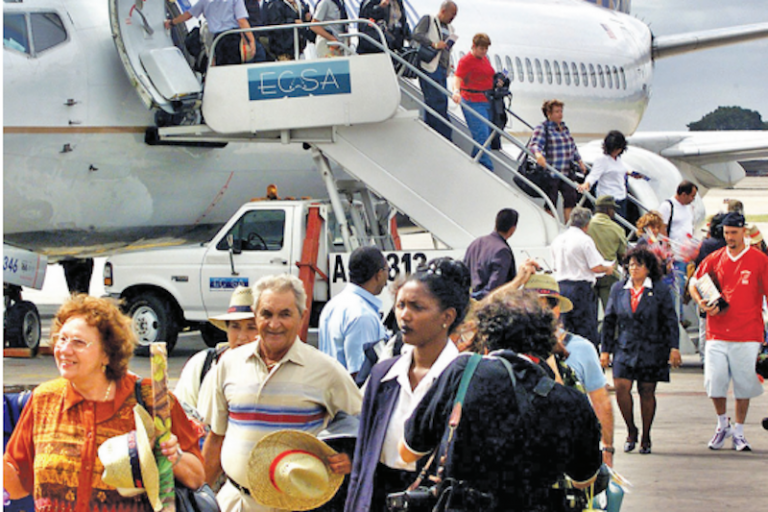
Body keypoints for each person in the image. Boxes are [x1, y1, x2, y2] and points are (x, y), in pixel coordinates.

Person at [399, 291, 601, 511]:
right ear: (545, 345)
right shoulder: (570, 401)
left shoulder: (463, 370)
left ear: (487, 339)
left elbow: (408, 451)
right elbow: (584, 479)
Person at [3, 294, 205, 511]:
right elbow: (17, 488)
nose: (64, 350)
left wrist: (172, 456)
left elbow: (196, 478)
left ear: (108, 354)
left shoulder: (152, 399)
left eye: (78, 342)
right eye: (61, 339)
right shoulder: (42, 400)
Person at [199, 274, 362, 510]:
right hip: (235, 502)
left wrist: (350, 459)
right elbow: (217, 437)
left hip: (295, 505)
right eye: (266, 314)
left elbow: (367, 426)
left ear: (302, 317)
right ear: (256, 315)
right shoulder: (228, 364)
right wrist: (199, 496)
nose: (274, 324)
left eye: (285, 314)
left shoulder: (326, 371)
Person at [345, 258, 470, 512]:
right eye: (400, 305)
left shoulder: (466, 381)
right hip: (379, 497)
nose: (404, 315)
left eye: (417, 307)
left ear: (447, 317)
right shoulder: (383, 376)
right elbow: (362, 462)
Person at [689, 212, 768, 452]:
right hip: (717, 331)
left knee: (744, 384)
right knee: (715, 381)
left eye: (734, 233)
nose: (730, 238)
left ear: (744, 232)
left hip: (748, 332)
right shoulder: (715, 258)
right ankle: (722, 423)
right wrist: (702, 303)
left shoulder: (759, 260)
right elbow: (695, 282)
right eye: (726, 234)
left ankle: (740, 431)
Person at [524, 274, 615, 468]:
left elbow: (601, 403)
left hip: (566, 455)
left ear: (556, 310)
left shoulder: (582, 348)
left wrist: (607, 448)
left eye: (546, 305)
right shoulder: (510, 349)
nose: (538, 312)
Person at [600, 247, 681, 455]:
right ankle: (631, 430)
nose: (634, 269)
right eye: (631, 264)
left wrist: (674, 347)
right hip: (625, 346)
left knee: (647, 391)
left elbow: (670, 321)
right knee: (621, 387)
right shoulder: (619, 289)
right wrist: (605, 350)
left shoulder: (660, 290)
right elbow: (609, 321)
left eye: (639, 265)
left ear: (648, 268)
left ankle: (646, 436)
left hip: (652, 348)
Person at [174, 286, 259, 417]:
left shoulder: (273, 371)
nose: (242, 336)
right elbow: (182, 414)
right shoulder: (202, 363)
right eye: (235, 326)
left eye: (251, 328)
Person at [318, 246, 390, 378]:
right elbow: (360, 374)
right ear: (379, 274)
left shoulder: (333, 304)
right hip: (351, 396)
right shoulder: (362, 316)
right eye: (388, 270)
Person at [551, 206, 616, 347]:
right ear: (587, 224)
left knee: (564, 328)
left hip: (561, 286)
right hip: (580, 288)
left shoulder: (558, 239)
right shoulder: (584, 240)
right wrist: (608, 268)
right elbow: (596, 267)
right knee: (585, 330)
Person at [529, 99, 587, 223]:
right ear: (548, 113)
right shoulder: (543, 128)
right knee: (551, 202)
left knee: (570, 200)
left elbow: (572, 147)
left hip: (566, 171)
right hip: (552, 172)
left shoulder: (564, 128)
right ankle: (552, 226)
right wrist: (538, 155)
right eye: (557, 112)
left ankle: (569, 226)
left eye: (561, 111)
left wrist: (580, 161)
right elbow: (535, 145)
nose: (560, 114)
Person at [410, 1, 458, 140]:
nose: (453, 18)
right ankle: (443, 135)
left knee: (441, 101)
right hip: (429, 66)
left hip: (442, 68)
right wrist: (434, 44)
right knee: (435, 101)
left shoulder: (450, 28)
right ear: (443, 11)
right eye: (452, 14)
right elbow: (416, 34)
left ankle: (436, 133)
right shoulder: (429, 20)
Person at [165, 0, 256, 66]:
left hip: (217, 39)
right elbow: (241, 20)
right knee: (234, 68)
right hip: (232, 37)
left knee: (221, 67)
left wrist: (172, 22)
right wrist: (251, 40)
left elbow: (188, 14)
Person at [452, 33, 495, 171]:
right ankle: (486, 167)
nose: (484, 52)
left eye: (486, 49)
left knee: (484, 135)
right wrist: (456, 91)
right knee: (482, 135)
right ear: (474, 46)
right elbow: (457, 77)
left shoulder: (484, 59)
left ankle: (474, 165)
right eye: (481, 48)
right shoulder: (466, 61)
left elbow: (489, 74)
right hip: (472, 101)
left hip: (486, 101)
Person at [657, 180, 699, 318]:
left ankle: (679, 314)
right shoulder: (668, 206)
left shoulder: (689, 208)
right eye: (691, 196)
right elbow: (662, 227)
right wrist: (667, 247)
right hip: (673, 254)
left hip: (685, 253)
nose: (693, 199)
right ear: (683, 194)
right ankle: (676, 316)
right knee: (676, 285)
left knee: (682, 286)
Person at [463, 208, 519, 300]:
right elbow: (495, 288)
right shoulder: (502, 251)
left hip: (468, 300)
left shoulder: (476, 243)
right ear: (512, 229)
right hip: (487, 306)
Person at [588, 195, 628, 314]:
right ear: (608, 210)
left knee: (590, 314)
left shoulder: (586, 226)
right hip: (609, 274)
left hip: (589, 273)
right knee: (611, 313)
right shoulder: (617, 229)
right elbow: (623, 253)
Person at [578, 131, 630, 219]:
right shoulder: (602, 159)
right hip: (607, 199)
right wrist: (587, 184)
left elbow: (618, 171)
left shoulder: (618, 160)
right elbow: (594, 175)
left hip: (620, 197)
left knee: (620, 225)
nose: (615, 151)